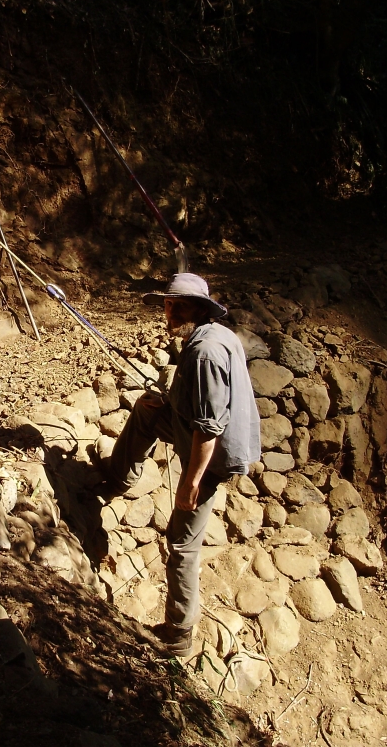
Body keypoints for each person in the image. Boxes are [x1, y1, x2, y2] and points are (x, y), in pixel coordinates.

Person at [106, 273, 260, 655]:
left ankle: (179, 633)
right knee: (146, 410)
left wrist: (191, 483)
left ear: (201, 310)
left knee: (181, 543)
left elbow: (209, 427)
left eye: (181, 305)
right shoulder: (213, 336)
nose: (171, 312)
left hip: (210, 457)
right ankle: (118, 478)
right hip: (193, 430)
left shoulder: (206, 351)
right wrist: (169, 404)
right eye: (169, 304)